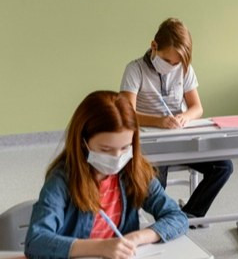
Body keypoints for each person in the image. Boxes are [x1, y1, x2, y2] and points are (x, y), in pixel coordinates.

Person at [25, 91, 187, 259]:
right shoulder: (62, 180)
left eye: (125, 148)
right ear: (83, 142)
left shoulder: (135, 172)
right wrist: (101, 247)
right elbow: (36, 241)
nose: (117, 157)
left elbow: (177, 217)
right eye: (105, 149)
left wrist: (136, 238)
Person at [119, 18, 232, 221]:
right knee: (156, 186)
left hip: (181, 138)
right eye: (168, 61)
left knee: (223, 166)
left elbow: (197, 108)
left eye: (177, 63)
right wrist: (159, 121)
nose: (173, 67)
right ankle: (165, 219)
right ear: (154, 46)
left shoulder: (185, 69)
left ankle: (188, 215)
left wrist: (184, 117)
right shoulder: (134, 70)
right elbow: (127, 115)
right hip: (152, 144)